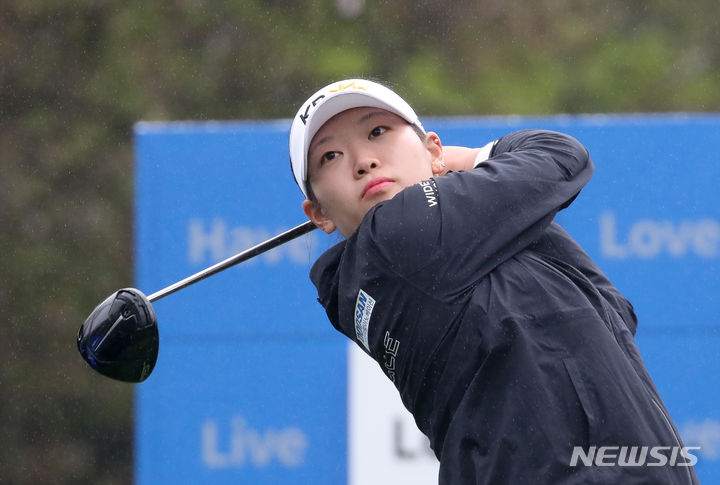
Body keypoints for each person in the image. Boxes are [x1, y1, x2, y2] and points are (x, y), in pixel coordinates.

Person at [288, 79, 699, 484]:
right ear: (319, 214)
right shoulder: (396, 235)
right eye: (330, 157)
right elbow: (560, 154)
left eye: (377, 131)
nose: (363, 160)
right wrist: (469, 158)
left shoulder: (440, 249)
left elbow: (612, 315)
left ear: (430, 147)